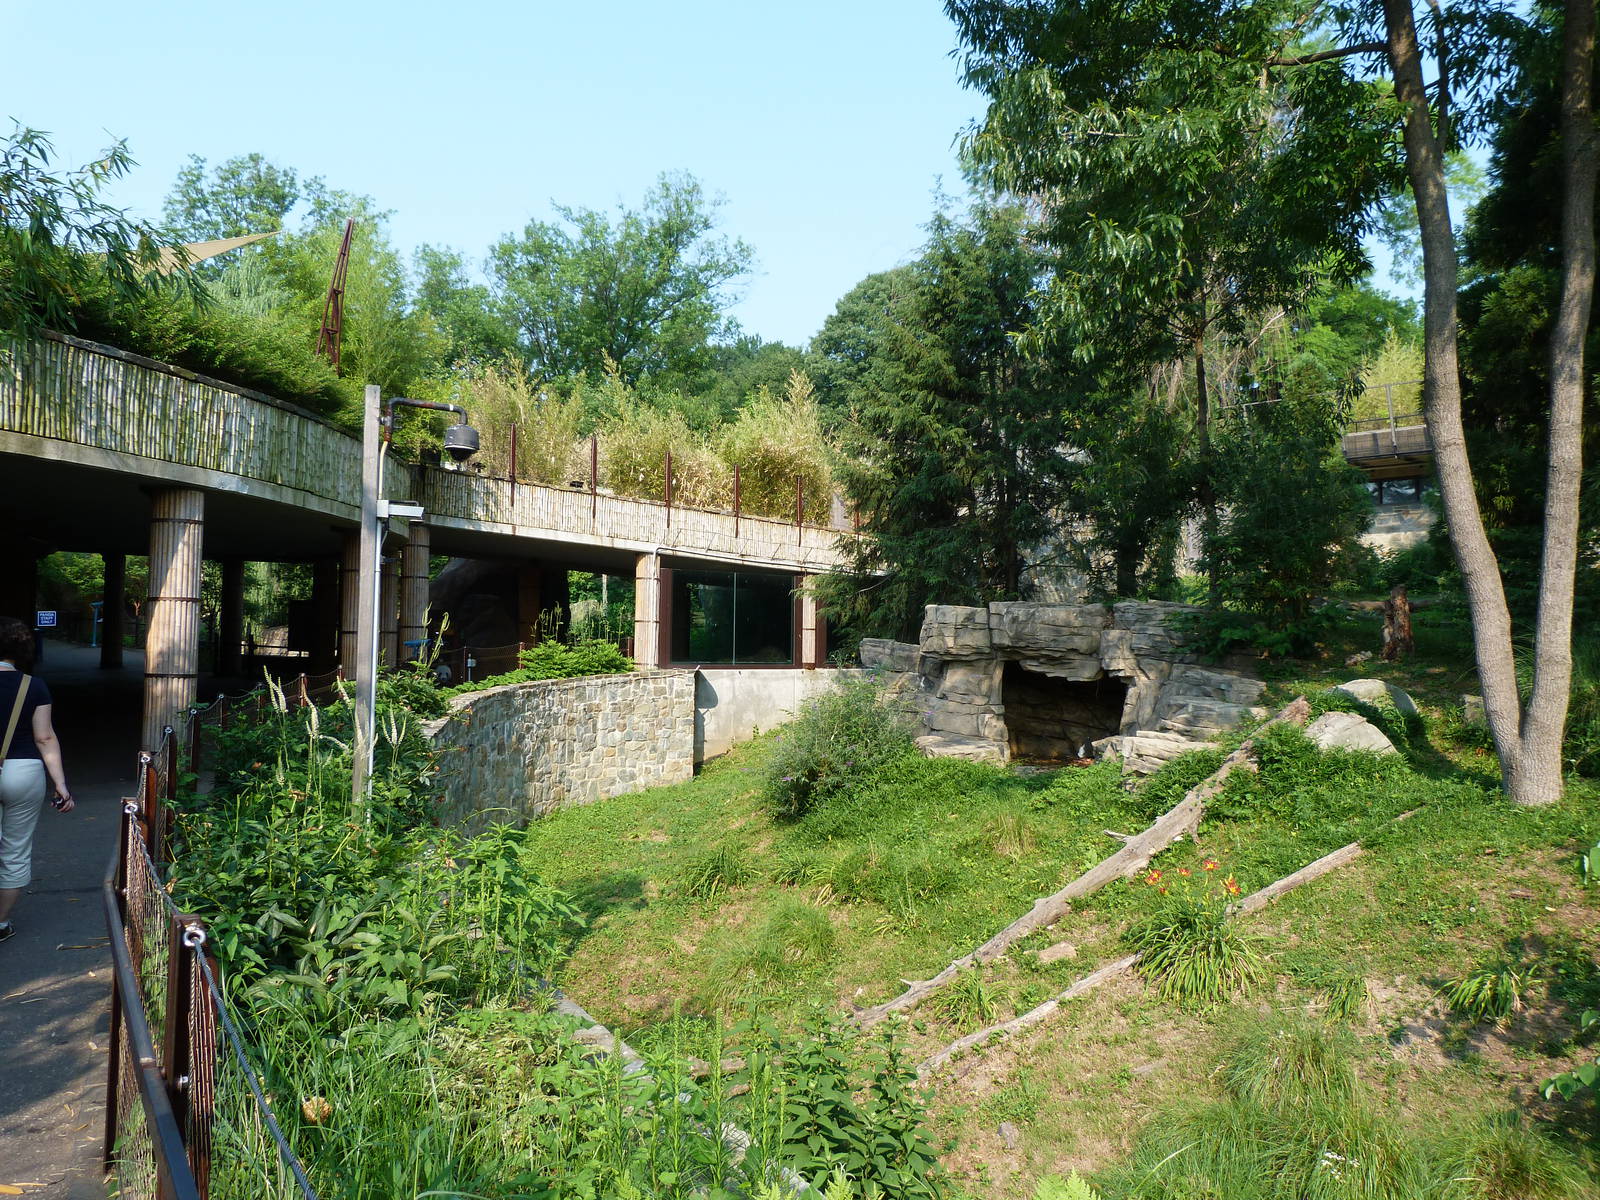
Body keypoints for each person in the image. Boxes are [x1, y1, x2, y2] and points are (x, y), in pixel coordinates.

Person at [0, 615, 72, 942]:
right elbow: (44, 737)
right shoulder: (34, 685)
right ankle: (1, 923)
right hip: (24, 772)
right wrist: (61, 784)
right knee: (14, 851)